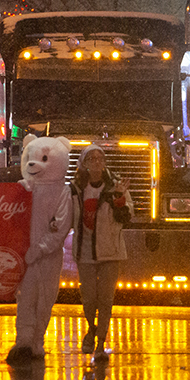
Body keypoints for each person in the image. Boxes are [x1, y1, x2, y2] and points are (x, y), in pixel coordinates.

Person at [70, 145, 132, 360]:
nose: (97, 162)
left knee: (105, 299)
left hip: (110, 252)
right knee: (89, 299)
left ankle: (100, 343)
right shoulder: (75, 188)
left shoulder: (115, 186)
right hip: (84, 251)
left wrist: (120, 200)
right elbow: (65, 216)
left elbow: (126, 217)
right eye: (92, 158)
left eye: (100, 158)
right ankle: (91, 328)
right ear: (84, 163)